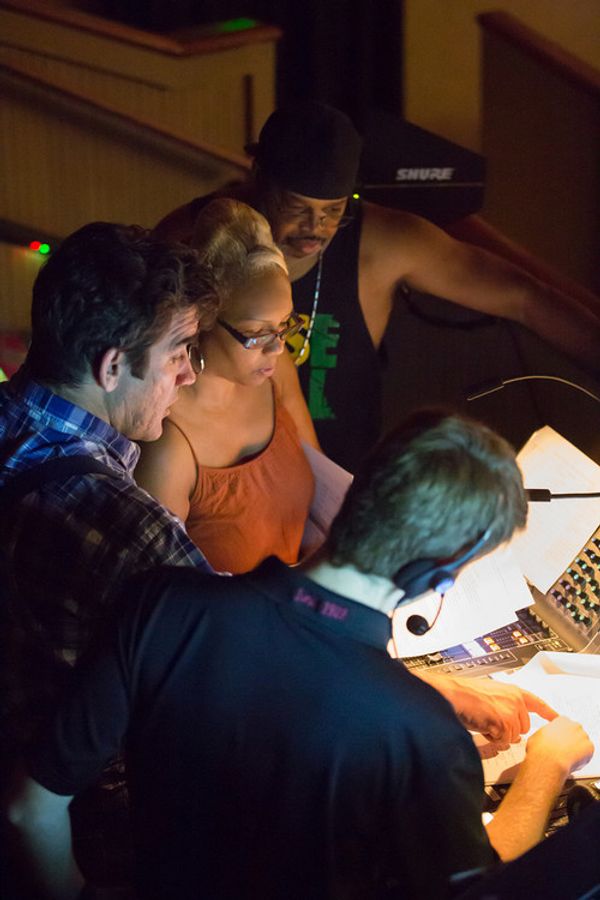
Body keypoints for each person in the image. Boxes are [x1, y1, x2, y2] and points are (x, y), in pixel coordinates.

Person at [5, 410, 592, 900]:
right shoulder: (419, 733)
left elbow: (30, 810)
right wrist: (547, 762)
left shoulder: (162, 603)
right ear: (437, 577)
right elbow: (477, 888)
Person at [154, 100, 600, 472]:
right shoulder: (189, 238)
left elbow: (524, 296)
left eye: (333, 211)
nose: (316, 229)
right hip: (218, 471)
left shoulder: (385, 242)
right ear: (259, 179)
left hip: (345, 479)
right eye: (298, 208)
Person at [0, 222, 216, 889]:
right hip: (87, 838)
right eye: (179, 350)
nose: (190, 373)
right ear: (113, 366)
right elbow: (232, 660)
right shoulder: (125, 524)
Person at [135, 199, 318, 574]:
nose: (278, 346)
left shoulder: (275, 368)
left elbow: (322, 490)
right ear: (201, 321)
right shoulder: (166, 438)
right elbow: (168, 597)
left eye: (285, 325)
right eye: (255, 333)